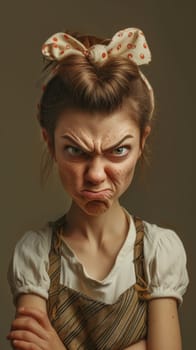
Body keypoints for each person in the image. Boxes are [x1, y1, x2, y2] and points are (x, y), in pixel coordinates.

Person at [7, 27, 189, 350]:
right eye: (75, 151)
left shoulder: (158, 254)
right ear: (50, 143)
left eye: (118, 150)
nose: (95, 175)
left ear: (142, 141)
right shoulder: (34, 257)